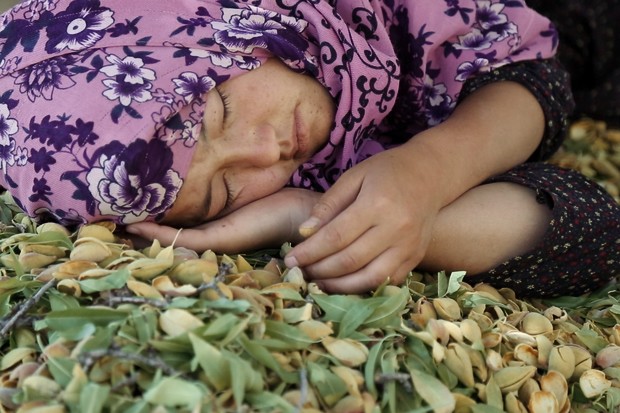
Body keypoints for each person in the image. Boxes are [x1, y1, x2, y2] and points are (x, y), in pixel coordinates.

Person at [0, 0, 617, 297]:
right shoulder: (305, 171)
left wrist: (428, 167)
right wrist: (314, 217)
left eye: (221, 110)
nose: (265, 152)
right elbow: (591, 228)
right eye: (220, 190)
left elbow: (533, 79)